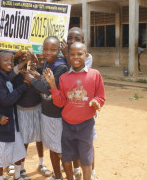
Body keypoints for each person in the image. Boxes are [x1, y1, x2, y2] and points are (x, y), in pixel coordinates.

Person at [44, 42, 106, 180]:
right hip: (67, 124)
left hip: (86, 124)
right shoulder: (64, 77)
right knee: (67, 155)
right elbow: (60, 102)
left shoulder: (95, 75)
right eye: (72, 54)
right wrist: (53, 85)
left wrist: (97, 102)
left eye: (79, 54)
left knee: (86, 157)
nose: (76, 57)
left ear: (86, 55)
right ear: (67, 56)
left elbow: (101, 96)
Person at [24, 36, 68, 180]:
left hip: (56, 115)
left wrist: (31, 79)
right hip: (47, 112)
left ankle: (67, 175)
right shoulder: (48, 64)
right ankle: (57, 175)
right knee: (52, 147)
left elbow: (48, 89)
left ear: (59, 50)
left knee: (59, 150)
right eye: (46, 49)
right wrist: (36, 74)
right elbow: (43, 80)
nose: (48, 53)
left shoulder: (61, 67)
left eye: (53, 50)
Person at [0, 51, 29, 180]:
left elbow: (13, 72)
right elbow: (6, 100)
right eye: (5, 61)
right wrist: (24, 86)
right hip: (1, 123)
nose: (9, 63)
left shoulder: (5, 76)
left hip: (11, 122)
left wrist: (24, 62)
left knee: (19, 151)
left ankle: (17, 175)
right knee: (0, 153)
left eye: (11, 60)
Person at [61, 27, 97, 179]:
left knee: (86, 145)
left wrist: (65, 56)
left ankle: (92, 172)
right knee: (73, 145)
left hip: (85, 113)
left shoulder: (85, 57)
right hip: (69, 112)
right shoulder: (63, 54)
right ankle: (76, 170)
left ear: (83, 42)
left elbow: (75, 66)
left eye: (77, 39)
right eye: (70, 38)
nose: (72, 41)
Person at [12, 51, 52, 179]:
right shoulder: (17, 75)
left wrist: (36, 73)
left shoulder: (38, 73)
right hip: (22, 111)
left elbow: (46, 87)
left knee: (39, 138)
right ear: (19, 62)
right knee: (24, 140)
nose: (29, 62)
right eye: (25, 59)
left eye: (32, 60)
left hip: (38, 109)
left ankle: (41, 163)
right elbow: (11, 76)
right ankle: (22, 168)